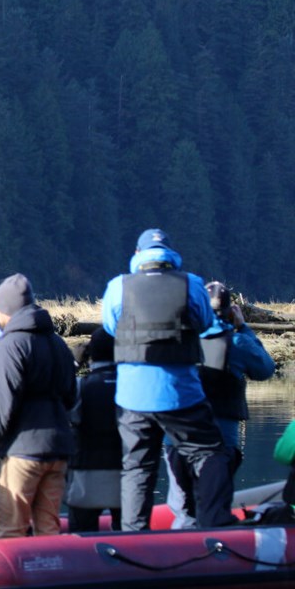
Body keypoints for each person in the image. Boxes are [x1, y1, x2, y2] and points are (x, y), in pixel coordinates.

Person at [102, 228, 236, 531]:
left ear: (138, 255)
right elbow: (204, 323)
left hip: (131, 396)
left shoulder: (117, 286)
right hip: (180, 392)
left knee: (137, 466)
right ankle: (216, 522)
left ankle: (133, 535)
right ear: (170, 255)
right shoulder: (191, 283)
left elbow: (111, 328)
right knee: (209, 453)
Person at [0, 273, 77, 539]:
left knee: (9, 531)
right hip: (59, 449)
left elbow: (2, 407)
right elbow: (71, 397)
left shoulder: (11, 345)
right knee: (48, 529)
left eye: (0, 314)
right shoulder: (59, 344)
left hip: (23, 452)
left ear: (6, 312)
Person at [165, 281, 276, 528]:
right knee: (214, 510)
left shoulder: (177, 340)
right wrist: (244, 328)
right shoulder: (237, 343)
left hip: (176, 440)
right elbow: (265, 370)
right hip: (220, 440)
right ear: (229, 311)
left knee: (183, 508)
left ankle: (178, 539)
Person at [65, 327, 122, 532]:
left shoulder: (82, 386)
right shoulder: (131, 386)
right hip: (126, 472)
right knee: (128, 533)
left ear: (90, 355)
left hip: (86, 471)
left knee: (80, 534)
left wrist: (73, 364)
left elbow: (62, 405)